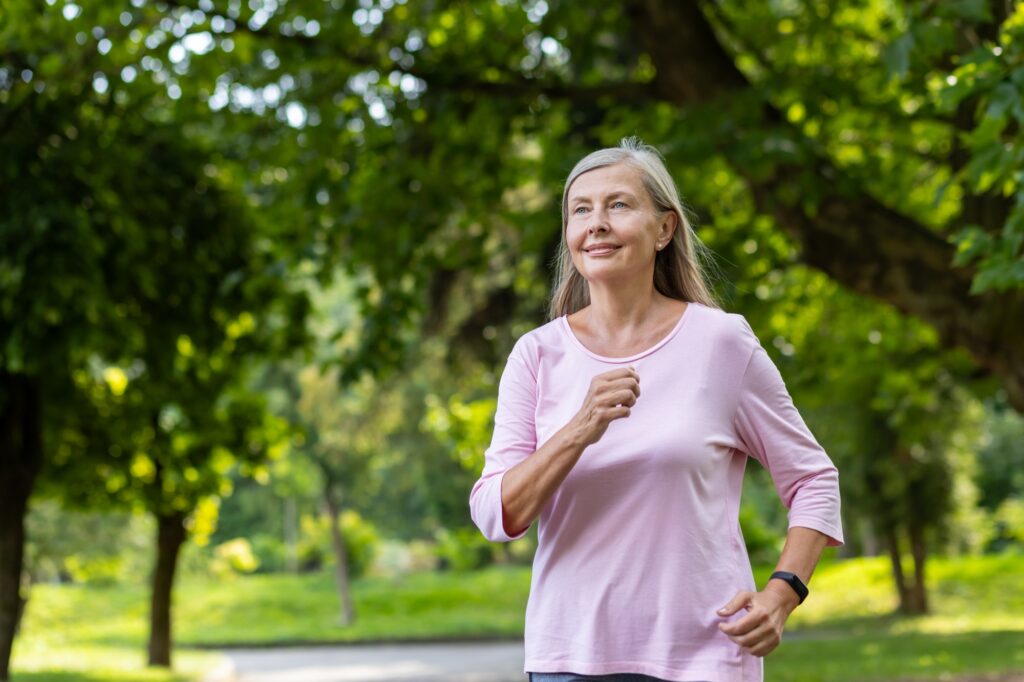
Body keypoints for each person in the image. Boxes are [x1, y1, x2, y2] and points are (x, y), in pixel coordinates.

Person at [468, 137, 844, 682]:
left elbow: (813, 479)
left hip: (705, 656)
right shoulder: (537, 355)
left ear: (664, 229)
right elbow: (495, 514)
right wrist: (580, 428)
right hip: (569, 658)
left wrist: (782, 593)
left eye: (618, 204)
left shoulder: (721, 343)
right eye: (581, 209)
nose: (595, 223)